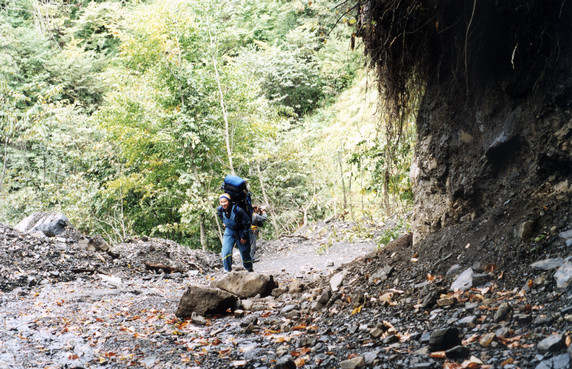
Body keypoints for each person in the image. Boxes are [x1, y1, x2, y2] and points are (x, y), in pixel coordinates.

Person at [217, 193, 253, 272]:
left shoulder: (238, 210)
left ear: (229, 201)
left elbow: (247, 223)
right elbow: (220, 216)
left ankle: (249, 269)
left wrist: (244, 236)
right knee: (226, 251)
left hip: (241, 231)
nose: (223, 204)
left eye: (225, 201)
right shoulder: (220, 209)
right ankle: (227, 271)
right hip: (229, 231)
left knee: (244, 251)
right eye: (221, 202)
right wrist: (223, 222)